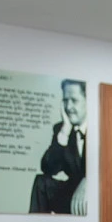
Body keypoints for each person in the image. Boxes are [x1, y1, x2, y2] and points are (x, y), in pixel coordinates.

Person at [29, 79, 87, 215]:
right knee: (41, 182)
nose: (69, 107)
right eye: (65, 101)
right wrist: (65, 132)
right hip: (73, 198)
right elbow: (48, 168)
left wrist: (89, 181)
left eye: (74, 100)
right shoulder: (61, 129)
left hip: (96, 197)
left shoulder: (101, 128)